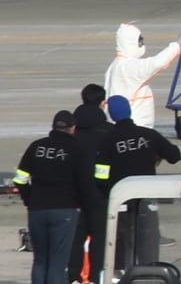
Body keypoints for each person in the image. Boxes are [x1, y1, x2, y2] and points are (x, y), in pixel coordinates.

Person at [94, 95, 181, 270]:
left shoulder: (107, 141)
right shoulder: (148, 135)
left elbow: (100, 176)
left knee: (121, 249)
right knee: (148, 249)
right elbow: (174, 155)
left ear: (111, 115)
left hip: (120, 201)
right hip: (146, 198)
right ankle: (149, 277)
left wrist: (106, 192)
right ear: (129, 111)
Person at [16, 110, 99, 284]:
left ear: (53, 127)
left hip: (37, 210)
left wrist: (29, 199)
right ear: (73, 128)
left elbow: (20, 179)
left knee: (40, 261)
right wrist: (89, 207)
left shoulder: (37, 146)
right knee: (57, 263)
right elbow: (86, 185)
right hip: (65, 210)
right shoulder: (77, 149)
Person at [69, 86, 111, 284]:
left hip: (73, 195)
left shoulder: (71, 132)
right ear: (103, 103)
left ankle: (73, 278)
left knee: (75, 240)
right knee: (99, 240)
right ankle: (95, 278)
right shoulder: (109, 131)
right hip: (100, 195)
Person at [103, 22, 181, 129]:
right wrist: (178, 45)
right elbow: (156, 63)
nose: (142, 44)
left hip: (124, 125)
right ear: (131, 42)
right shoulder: (128, 66)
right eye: (140, 40)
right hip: (135, 125)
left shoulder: (117, 64)